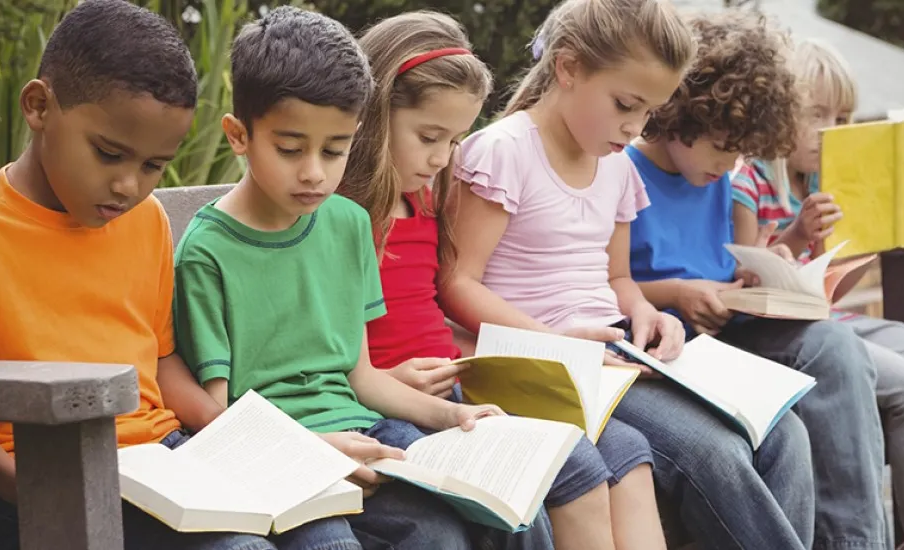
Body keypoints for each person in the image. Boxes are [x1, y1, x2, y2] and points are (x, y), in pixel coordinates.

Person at [438, 3, 818, 549]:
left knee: (785, 433)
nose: (635, 128)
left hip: (618, 355)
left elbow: (618, 279)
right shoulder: (503, 151)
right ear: (568, 69)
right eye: (625, 105)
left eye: (649, 113)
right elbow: (456, 284)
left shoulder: (615, 165)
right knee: (713, 452)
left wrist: (647, 313)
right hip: (546, 368)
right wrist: (559, 346)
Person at [0, 1, 279, 549]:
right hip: (29, 485)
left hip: (161, 463)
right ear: (39, 106)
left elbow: (159, 357)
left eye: (153, 165)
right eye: (109, 154)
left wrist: (231, 431)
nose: (129, 186)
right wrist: (34, 491)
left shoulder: (146, 222)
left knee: (311, 532)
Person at [172, 7, 503, 549]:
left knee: (446, 533)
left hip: (364, 424)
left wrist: (454, 415)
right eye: (289, 148)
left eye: (335, 150)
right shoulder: (206, 253)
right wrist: (315, 448)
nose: (314, 173)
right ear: (238, 135)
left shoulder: (348, 222)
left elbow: (361, 374)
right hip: (278, 448)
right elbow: (220, 411)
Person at [339, 9, 667, 550]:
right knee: (530, 494)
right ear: (377, 115)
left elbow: (435, 299)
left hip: (461, 381)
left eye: (454, 140)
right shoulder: (342, 215)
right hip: (393, 399)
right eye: (429, 137)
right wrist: (395, 377)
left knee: (601, 454)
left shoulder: (425, 195)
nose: (444, 158)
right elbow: (334, 347)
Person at [629, 13, 889, 550]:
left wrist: (755, 274)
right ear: (683, 111)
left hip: (726, 333)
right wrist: (677, 294)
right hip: (663, 347)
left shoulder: (720, 175)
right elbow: (605, 282)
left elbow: (735, 267)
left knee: (836, 346)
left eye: (740, 153)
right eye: (723, 146)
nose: (729, 166)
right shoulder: (625, 172)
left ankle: (858, 544)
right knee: (794, 419)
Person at [731, 37, 904, 540]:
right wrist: (797, 235)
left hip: (826, 320)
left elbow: (830, 288)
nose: (831, 132)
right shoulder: (747, 183)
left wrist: (859, 243)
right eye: (818, 114)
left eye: (844, 118)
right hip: (779, 336)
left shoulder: (821, 184)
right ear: (782, 110)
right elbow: (746, 283)